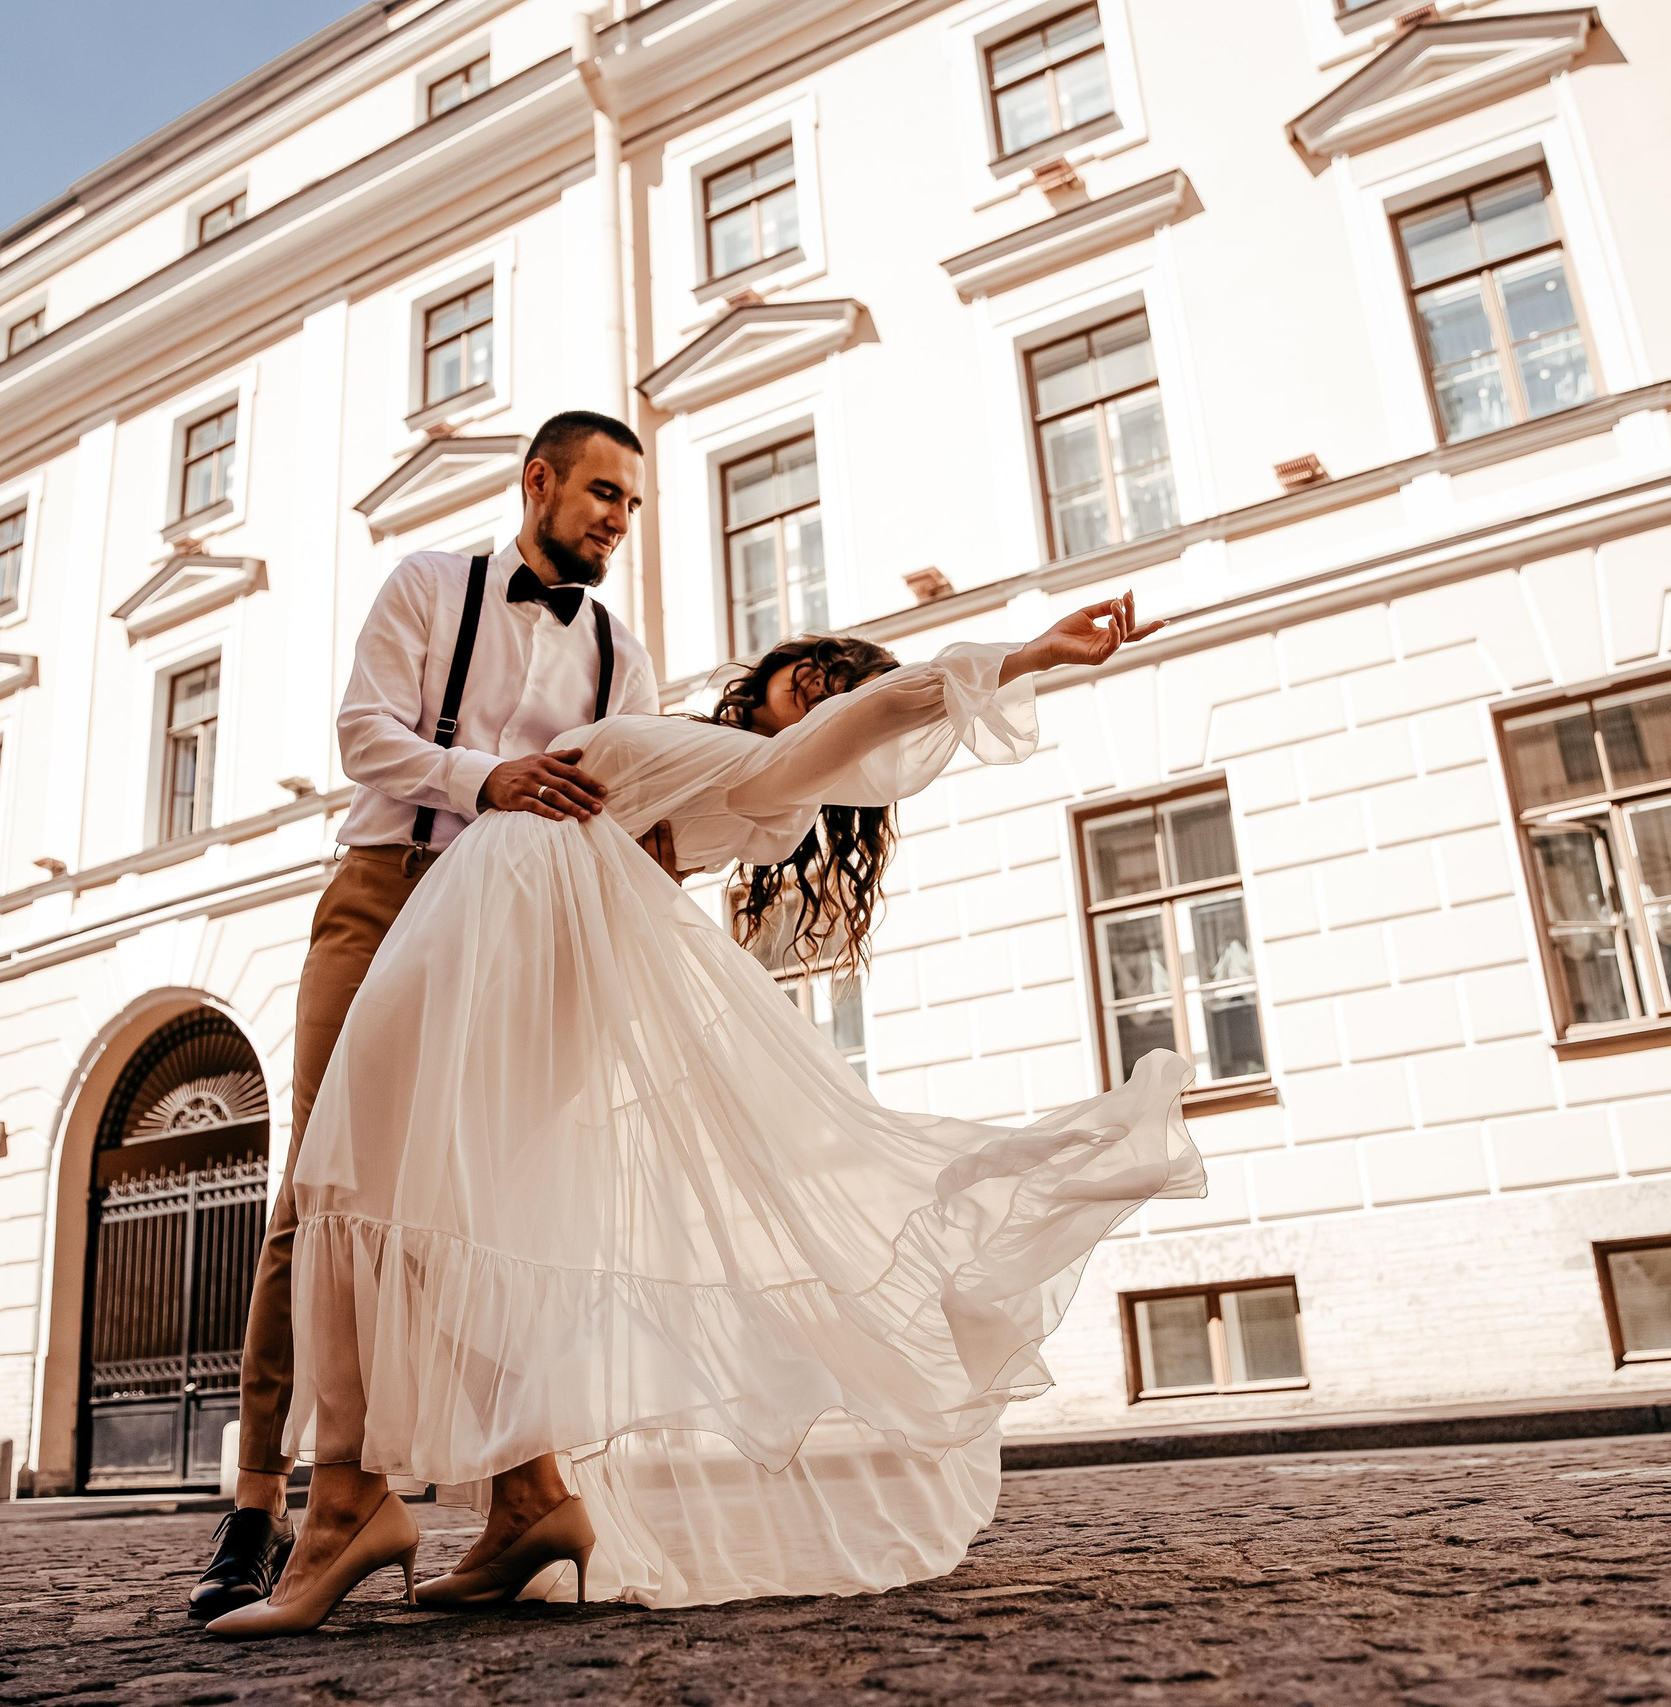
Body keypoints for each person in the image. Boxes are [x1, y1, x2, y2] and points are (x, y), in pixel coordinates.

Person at [208, 591, 1206, 1634]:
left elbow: (840, 730)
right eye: (814, 668)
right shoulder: (705, 759)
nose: (820, 688)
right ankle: (525, 1506)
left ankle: (344, 1510)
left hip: (488, 962)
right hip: (480, 950)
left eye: (837, 690)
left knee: (358, 1188)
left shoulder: (763, 780)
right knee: (401, 1213)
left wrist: (1013, 658)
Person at [187, 409, 678, 1620]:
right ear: (539, 484)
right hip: (386, 896)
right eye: (602, 494)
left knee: (462, 1220)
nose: (618, 520)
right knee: (319, 1197)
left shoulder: (622, 657)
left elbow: (637, 805)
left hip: (515, 945)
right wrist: (485, 778)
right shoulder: (427, 586)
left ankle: (517, 1494)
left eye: (631, 505)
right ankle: (261, 1512)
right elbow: (363, 736)